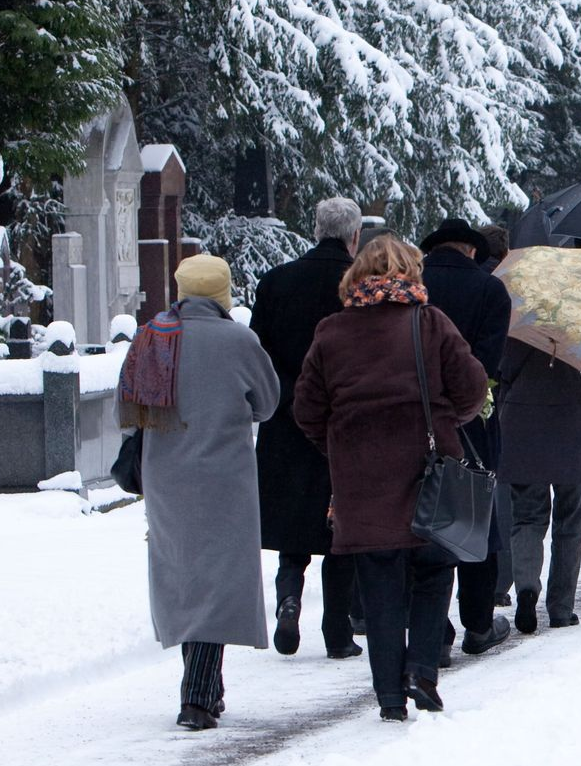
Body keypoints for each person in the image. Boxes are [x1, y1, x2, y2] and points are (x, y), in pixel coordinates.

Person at [294, 236, 489, 722]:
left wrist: (339, 447)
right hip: (428, 473)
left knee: (378, 583)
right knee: (433, 570)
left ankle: (388, 696)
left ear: (356, 276)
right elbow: (472, 390)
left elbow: (307, 409)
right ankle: (422, 670)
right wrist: (447, 421)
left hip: (361, 481)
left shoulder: (331, 332)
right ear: (412, 273)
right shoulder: (430, 324)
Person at [122, 255, 281, 731]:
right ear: (222, 293)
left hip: (166, 478)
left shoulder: (152, 337)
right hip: (224, 479)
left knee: (187, 579)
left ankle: (206, 686)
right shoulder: (239, 340)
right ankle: (197, 695)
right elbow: (268, 403)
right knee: (218, 581)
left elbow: (127, 408)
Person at [249, 198, 364, 660]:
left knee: (294, 522)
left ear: (316, 230)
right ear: (354, 236)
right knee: (340, 528)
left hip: (286, 417)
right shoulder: (357, 286)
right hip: (342, 421)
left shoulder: (276, 282)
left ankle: (288, 600)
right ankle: (337, 631)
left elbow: (259, 353)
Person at [416, 219, 515, 660]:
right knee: (477, 515)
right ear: (472, 250)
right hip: (474, 419)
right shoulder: (490, 290)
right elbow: (489, 364)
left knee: (426, 518)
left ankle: (433, 631)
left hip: (418, 420)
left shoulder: (415, 287)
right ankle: (478, 623)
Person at [500, 326, 581, 632]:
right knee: (570, 520)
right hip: (573, 429)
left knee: (527, 516)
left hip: (524, 429)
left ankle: (526, 588)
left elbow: (503, 374)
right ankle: (561, 608)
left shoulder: (518, 329)